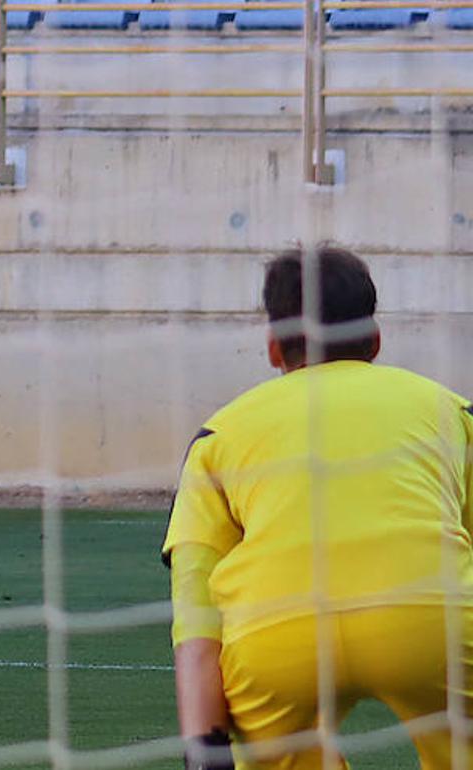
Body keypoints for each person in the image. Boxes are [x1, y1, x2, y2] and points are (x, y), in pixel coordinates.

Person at [164, 246, 473, 769]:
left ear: (272, 349)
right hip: (430, 618)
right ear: (375, 341)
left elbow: (196, 621)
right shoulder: (453, 410)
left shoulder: (218, 434)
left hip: (276, 634)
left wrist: (205, 748)